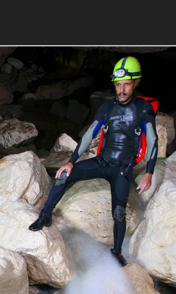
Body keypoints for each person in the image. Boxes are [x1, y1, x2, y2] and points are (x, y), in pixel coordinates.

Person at [28, 56, 157, 267]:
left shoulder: (143, 108)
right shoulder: (107, 108)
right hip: (102, 162)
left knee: (118, 212)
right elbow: (89, 134)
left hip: (122, 170)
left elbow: (152, 140)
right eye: (118, 85)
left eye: (127, 84)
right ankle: (45, 216)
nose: (122, 89)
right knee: (63, 176)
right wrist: (71, 161)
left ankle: (116, 251)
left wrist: (149, 172)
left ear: (136, 83)